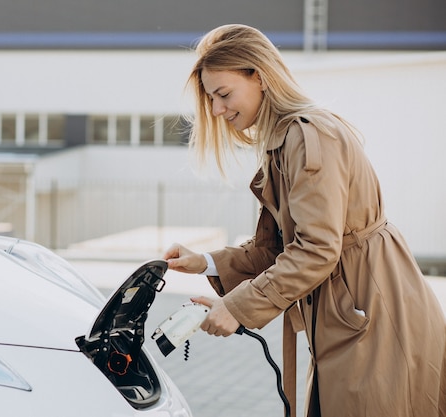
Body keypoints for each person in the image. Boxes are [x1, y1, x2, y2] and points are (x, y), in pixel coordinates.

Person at [163, 24, 446, 417]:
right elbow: (280, 250)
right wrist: (206, 263)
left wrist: (237, 308)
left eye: (223, 94)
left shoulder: (308, 137)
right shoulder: (285, 139)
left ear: (258, 76)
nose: (216, 110)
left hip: (376, 316)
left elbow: (315, 250)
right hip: (352, 314)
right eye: (211, 99)